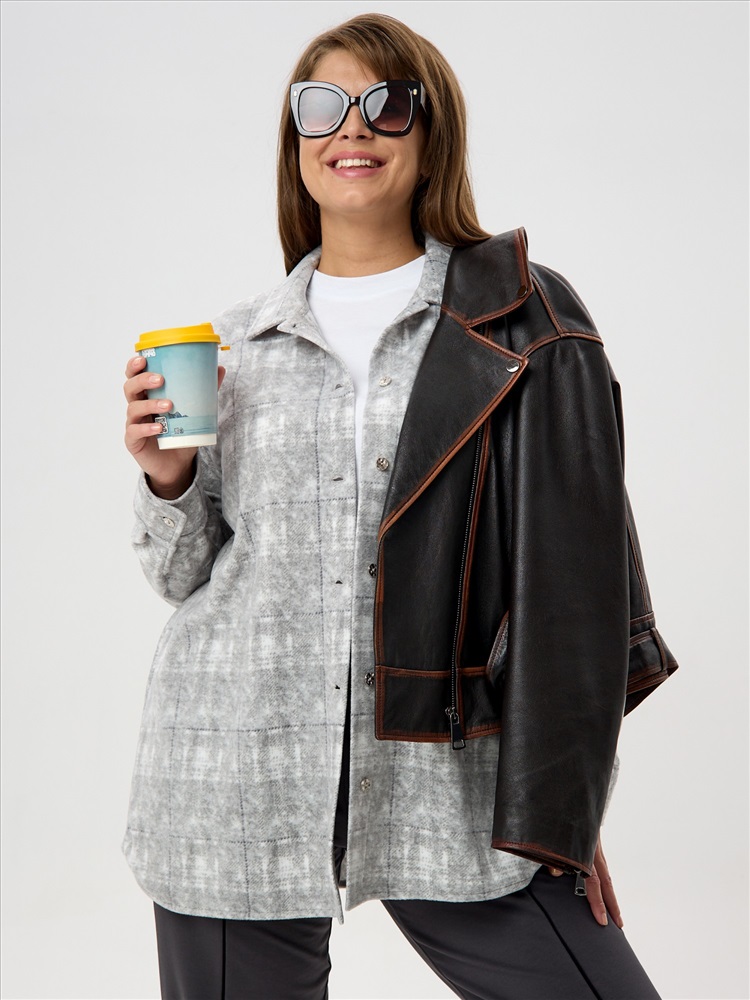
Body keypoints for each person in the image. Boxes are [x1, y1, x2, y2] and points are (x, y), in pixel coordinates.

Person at [121, 13, 678, 1000]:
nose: (353, 127)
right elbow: (183, 575)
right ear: (296, 142)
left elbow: (573, 586)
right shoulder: (236, 346)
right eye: (323, 105)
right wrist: (165, 474)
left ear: (432, 134)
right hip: (233, 780)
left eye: (388, 104)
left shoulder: (516, 322)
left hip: (454, 785)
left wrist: (560, 801)